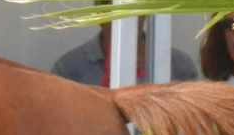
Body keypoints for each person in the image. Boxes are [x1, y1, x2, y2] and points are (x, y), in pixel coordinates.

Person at [51, 6, 199, 87]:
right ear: (99, 15)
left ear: (145, 13)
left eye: (133, 11)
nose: (123, 23)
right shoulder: (69, 69)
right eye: (112, 11)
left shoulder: (180, 66)